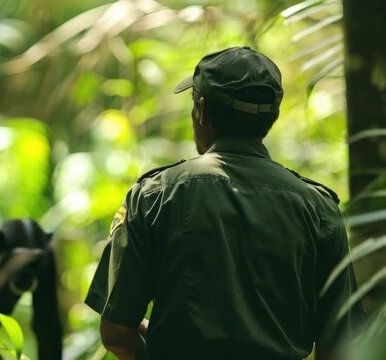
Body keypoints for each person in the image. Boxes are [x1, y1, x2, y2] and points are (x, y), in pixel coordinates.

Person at [85, 46, 364, 360]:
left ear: (201, 110)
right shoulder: (318, 209)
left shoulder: (156, 195)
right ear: (272, 115)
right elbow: (342, 347)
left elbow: (117, 333)